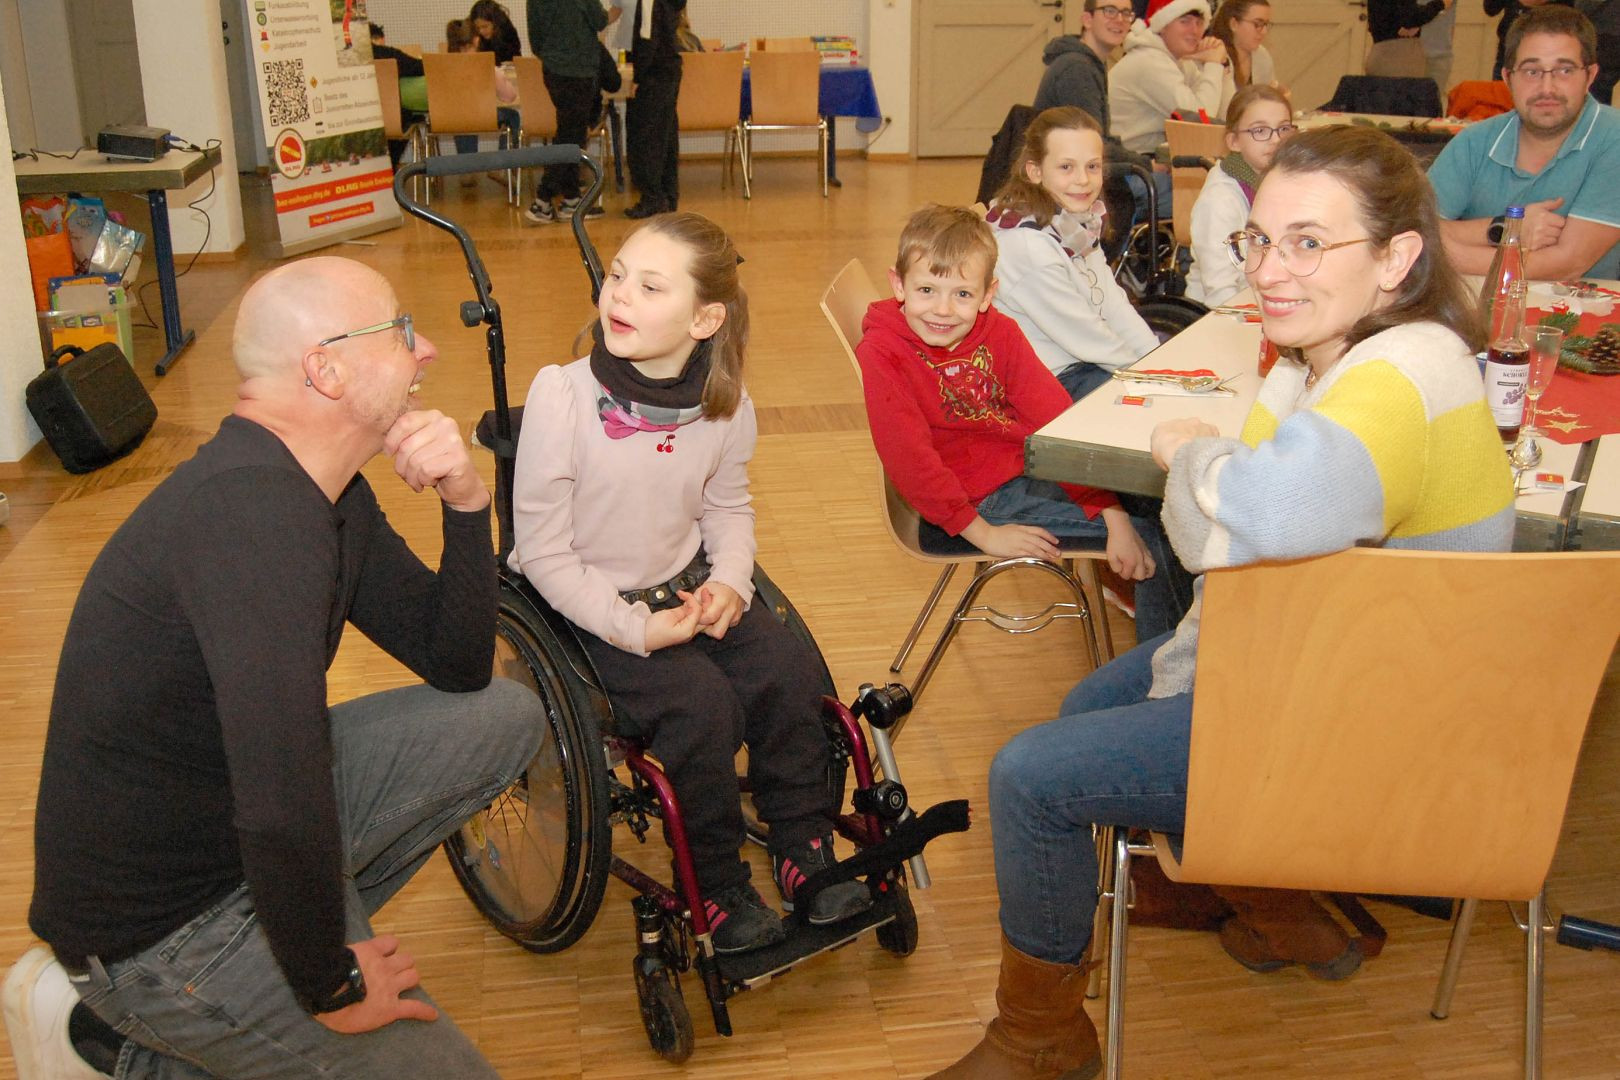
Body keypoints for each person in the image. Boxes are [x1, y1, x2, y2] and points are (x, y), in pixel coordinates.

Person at [925, 125, 1517, 1080]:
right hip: (1341, 660)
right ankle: (1270, 904)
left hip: (1370, 730)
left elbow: (1226, 530)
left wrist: (1186, 453)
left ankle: (1038, 1039)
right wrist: (1220, 474)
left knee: (1029, 777)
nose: (1270, 271)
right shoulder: (1333, 356)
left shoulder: (1393, 379)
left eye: (1309, 243)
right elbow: (1230, 519)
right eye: (1261, 239)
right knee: (1085, 708)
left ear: (1397, 257)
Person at [2, 256, 542, 1079]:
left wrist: (468, 505)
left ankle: (278, 962)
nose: (427, 347)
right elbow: (281, 799)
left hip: (241, 827)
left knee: (503, 716)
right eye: (400, 331)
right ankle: (130, 1040)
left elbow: (457, 665)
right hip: (162, 931)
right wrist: (331, 983)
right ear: (326, 370)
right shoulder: (255, 522)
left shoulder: (324, 492)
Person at [508, 212, 873, 955]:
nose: (620, 295)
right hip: (586, 606)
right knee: (700, 705)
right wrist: (634, 628)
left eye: (650, 287)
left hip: (686, 582)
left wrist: (731, 581)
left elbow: (726, 507)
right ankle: (715, 883)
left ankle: (803, 846)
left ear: (705, 320)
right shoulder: (562, 396)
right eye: (617, 276)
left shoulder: (725, 404)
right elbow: (542, 553)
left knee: (787, 669)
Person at [856, 204, 1191, 644]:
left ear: (988, 294)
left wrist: (1110, 512)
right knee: (1162, 531)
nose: (943, 309)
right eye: (927, 290)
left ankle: (1187, 645)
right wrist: (984, 535)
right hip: (973, 500)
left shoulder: (1000, 332)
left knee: (1163, 498)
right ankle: (1168, 674)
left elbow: (1057, 422)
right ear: (898, 285)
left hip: (1025, 468)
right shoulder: (884, 352)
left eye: (962, 294)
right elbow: (911, 463)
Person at [1429, 4, 1620, 281]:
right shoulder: (1474, 141)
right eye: (1532, 71)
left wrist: (1440, 255)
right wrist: (1507, 227)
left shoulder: (1613, 138)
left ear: (1590, 76)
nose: (1547, 88)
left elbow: (1568, 263)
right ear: (1507, 78)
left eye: (1565, 70)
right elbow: (1410, 229)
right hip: (1476, 303)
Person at [986, 107, 1159, 400]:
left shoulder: (1074, 223)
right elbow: (1088, 337)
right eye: (1066, 167)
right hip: (1049, 382)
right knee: (1156, 406)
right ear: (1035, 171)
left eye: (1092, 166)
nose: (1083, 179)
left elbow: (1114, 307)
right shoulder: (1027, 246)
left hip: (1085, 363)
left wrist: (1158, 360)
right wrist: (1149, 379)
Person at [1032, 0, 1174, 240]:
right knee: (1183, 190)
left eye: (1126, 13)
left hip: (1083, 166)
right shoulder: (1076, 70)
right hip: (1072, 176)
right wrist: (1147, 164)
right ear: (1087, 19)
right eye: (1109, 11)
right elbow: (1091, 146)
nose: (1119, 19)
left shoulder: (1089, 63)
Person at [1186, 84, 1295, 306]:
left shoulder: (1281, 183)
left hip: (1266, 300)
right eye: (1260, 131)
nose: (1276, 140)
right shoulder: (1220, 201)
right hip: (1221, 311)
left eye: (1283, 129)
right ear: (1233, 142)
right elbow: (1220, 291)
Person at [524, 0, 611, 224]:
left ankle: (571, 199)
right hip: (579, 70)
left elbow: (535, 37)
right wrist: (617, 11)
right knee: (571, 138)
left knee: (569, 133)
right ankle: (543, 200)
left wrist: (551, 55)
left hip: (553, 70)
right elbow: (600, 20)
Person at [1109, 0, 1232, 157]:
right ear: (1163, 25)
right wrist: (1213, 64)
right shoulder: (1150, 62)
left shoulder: (1180, 62)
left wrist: (1220, 65)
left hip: (1153, 159)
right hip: (1130, 164)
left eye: (1199, 23)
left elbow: (1225, 117)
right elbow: (1203, 120)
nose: (1195, 30)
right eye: (1185, 21)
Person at [623, 0, 687, 218]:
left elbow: (647, 40)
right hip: (670, 68)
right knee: (666, 136)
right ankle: (669, 194)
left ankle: (652, 197)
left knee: (648, 137)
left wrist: (638, 77)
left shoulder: (649, 2)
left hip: (654, 73)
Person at [1209, 0, 1280, 96]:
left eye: (1266, 24)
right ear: (1234, 24)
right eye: (1257, 24)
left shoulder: (1262, 55)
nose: (1264, 32)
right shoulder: (1213, 55)